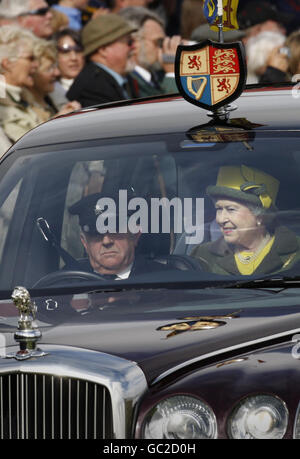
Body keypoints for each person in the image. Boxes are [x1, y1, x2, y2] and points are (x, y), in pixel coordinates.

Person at [190, 165, 300, 276]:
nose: (220, 219)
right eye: (219, 209)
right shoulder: (202, 255)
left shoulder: (296, 251)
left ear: (260, 216)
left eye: (231, 209)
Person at [68, 192, 168, 278]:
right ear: (84, 242)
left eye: (115, 230)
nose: (106, 241)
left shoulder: (165, 280)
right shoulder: (66, 282)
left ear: (135, 235)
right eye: (95, 233)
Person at [67, 13, 139, 107]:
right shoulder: (93, 88)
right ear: (103, 50)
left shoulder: (124, 79)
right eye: (129, 42)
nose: (134, 47)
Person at [119, 6, 180, 97]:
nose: (163, 47)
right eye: (159, 42)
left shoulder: (156, 76)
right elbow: (165, 109)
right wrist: (172, 73)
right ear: (134, 43)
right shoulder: (128, 81)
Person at [0, 25, 42, 145]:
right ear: (7, 63)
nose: (36, 65)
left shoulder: (24, 97)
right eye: (30, 58)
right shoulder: (3, 104)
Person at [23, 38, 81, 121]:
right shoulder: (25, 108)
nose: (57, 73)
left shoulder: (53, 97)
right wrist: (58, 119)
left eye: (55, 66)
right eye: (49, 69)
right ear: (32, 73)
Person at [50, 28, 85, 109]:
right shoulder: (47, 92)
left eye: (78, 50)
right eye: (65, 51)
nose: (74, 58)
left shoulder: (97, 86)